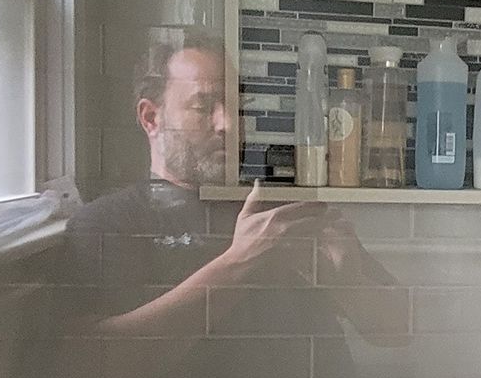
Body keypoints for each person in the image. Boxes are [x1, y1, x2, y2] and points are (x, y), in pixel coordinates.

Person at [65, 30, 404, 345]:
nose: (228, 123)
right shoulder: (108, 224)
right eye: (203, 106)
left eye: (236, 106)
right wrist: (240, 262)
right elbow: (100, 371)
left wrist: (348, 285)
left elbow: (401, 331)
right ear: (151, 118)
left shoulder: (283, 210)